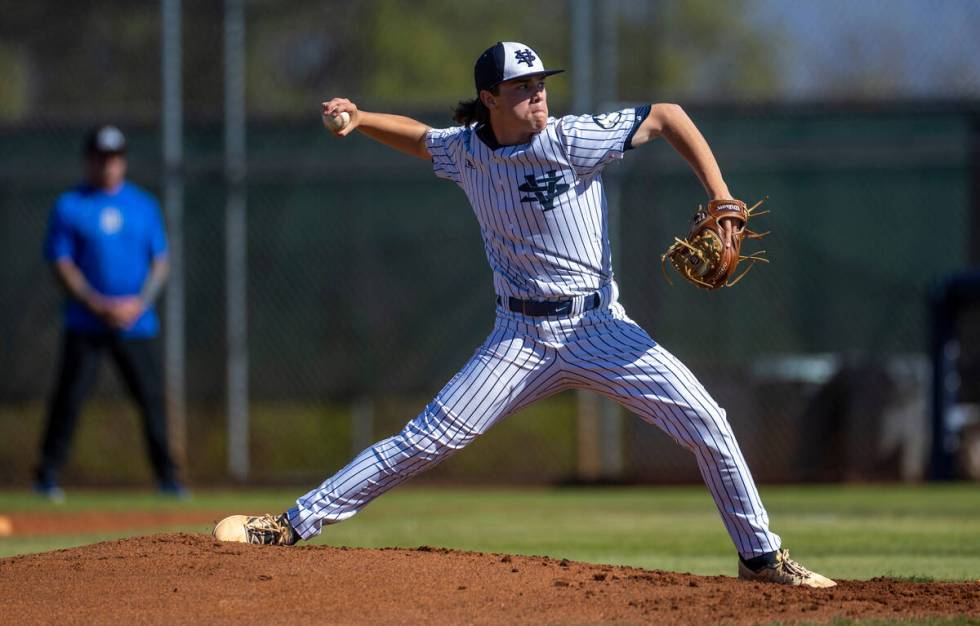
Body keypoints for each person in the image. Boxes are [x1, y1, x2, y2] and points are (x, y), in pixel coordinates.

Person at [214, 42, 834, 587]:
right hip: (519, 338)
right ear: (489, 98)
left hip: (600, 329)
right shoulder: (467, 152)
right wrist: (360, 116)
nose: (538, 97)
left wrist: (720, 194)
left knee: (708, 423)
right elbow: (419, 137)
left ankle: (760, 560)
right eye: (523, 89)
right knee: (426, 440)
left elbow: (668, 116)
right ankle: (291, 524)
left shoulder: (572, 139)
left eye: (541, 86)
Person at [35, 124, 185, 501]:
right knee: (69, 399)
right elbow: (62, 263)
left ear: (123, 161)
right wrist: (95, 303)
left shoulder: (143, 205)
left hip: (137, 323)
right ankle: (47, 476)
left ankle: (169, 478)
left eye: (114, 157)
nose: (108, 165)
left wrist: (138, 303)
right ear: (89, 160)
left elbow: (160, 263)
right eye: (101, 157)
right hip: (86, 322)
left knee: (151, 399)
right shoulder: (70, 206)